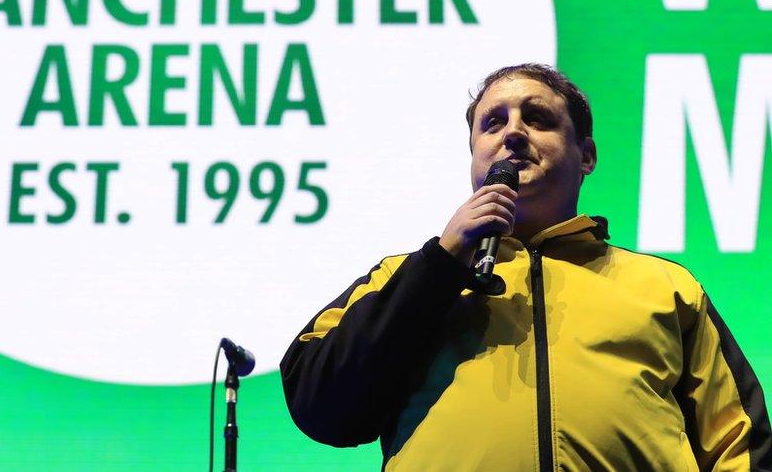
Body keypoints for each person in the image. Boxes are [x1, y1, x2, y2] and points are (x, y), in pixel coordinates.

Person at [279, 64, 771, 470]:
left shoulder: (666, 287)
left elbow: (739, 443)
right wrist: (442, 263)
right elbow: (321, 406)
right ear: (474, 155)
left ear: (587, 155)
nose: (513, 131)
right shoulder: (407, 277)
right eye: (493, 123)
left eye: (537, 118)